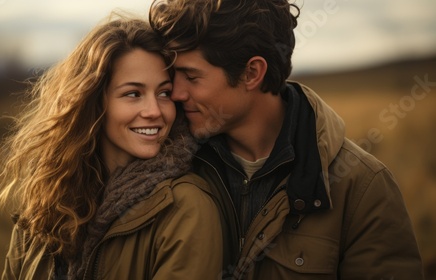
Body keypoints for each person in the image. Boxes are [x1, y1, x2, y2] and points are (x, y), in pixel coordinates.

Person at [149, 0, 424, 279]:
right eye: (173, 76)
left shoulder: (363, 188)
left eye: (192, 77)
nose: (176, 93)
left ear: (252, 73)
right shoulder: (164, 168)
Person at [0, 17, 223, 279]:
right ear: (94, 103)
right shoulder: (47, 203)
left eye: (164, 93)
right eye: (133, 94)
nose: (154, 111)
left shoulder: (186, 209)